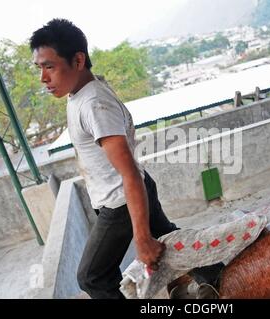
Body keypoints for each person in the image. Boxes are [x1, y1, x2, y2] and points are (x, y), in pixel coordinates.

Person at [30, 19, 223, 299]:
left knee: (92, 277)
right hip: (133, 189)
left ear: (78, 60)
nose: (43, 78)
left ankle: (216, 272)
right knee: (169, 240)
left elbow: (128, 173)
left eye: (49, 66)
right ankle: (216, 272)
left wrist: (141, 239)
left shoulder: (93, 104)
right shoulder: (83, 92)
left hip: (120, 200)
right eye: (39, 68)